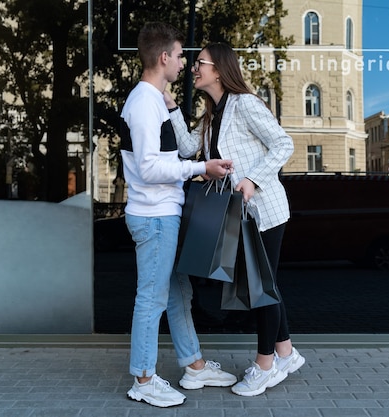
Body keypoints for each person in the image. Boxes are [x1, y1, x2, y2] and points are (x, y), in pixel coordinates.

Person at [164, 42, 306, 397]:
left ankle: (265, 364)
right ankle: (285, 352)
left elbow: (283, 144)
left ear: (219, 68)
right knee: (263, 283)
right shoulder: (212, 113)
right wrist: (171, 108)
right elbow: (184, 148)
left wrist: (252, 179)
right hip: (239, 215)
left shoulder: (245, 104)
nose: (194, 68)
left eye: (200, 63)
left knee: (260, 287)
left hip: (265, 210)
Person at [119, 23, 237, 408]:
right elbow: (151, 168)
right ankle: (143, 378)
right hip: (153, 218)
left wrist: (174, 112)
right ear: (164, 57)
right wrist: (199, 170)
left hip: (162, 214)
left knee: (176, 293)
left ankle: (195, 366)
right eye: (182, 55)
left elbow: (175, 152)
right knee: (151, 299)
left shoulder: (154, 101)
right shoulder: (141, 103)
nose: (186, 63)